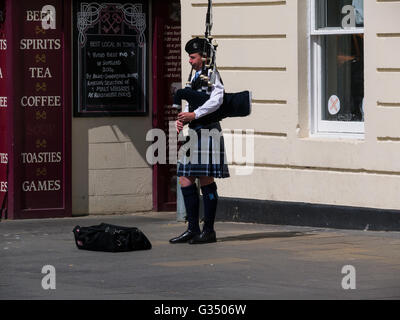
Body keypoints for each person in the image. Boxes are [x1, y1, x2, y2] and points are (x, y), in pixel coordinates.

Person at [169, 37, 230, 244]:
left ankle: (209, 230)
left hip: (207, 130)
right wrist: (182, 119)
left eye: (192, 57)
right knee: (185, 179)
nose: (189, 60)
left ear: (203, 57)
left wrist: (194, 115)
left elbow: (217, 100)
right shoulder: (194, 74)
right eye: (189, 56)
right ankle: (192, 229)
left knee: (205, 180)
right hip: (193, 132)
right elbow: (191, 100)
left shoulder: (212, 74)